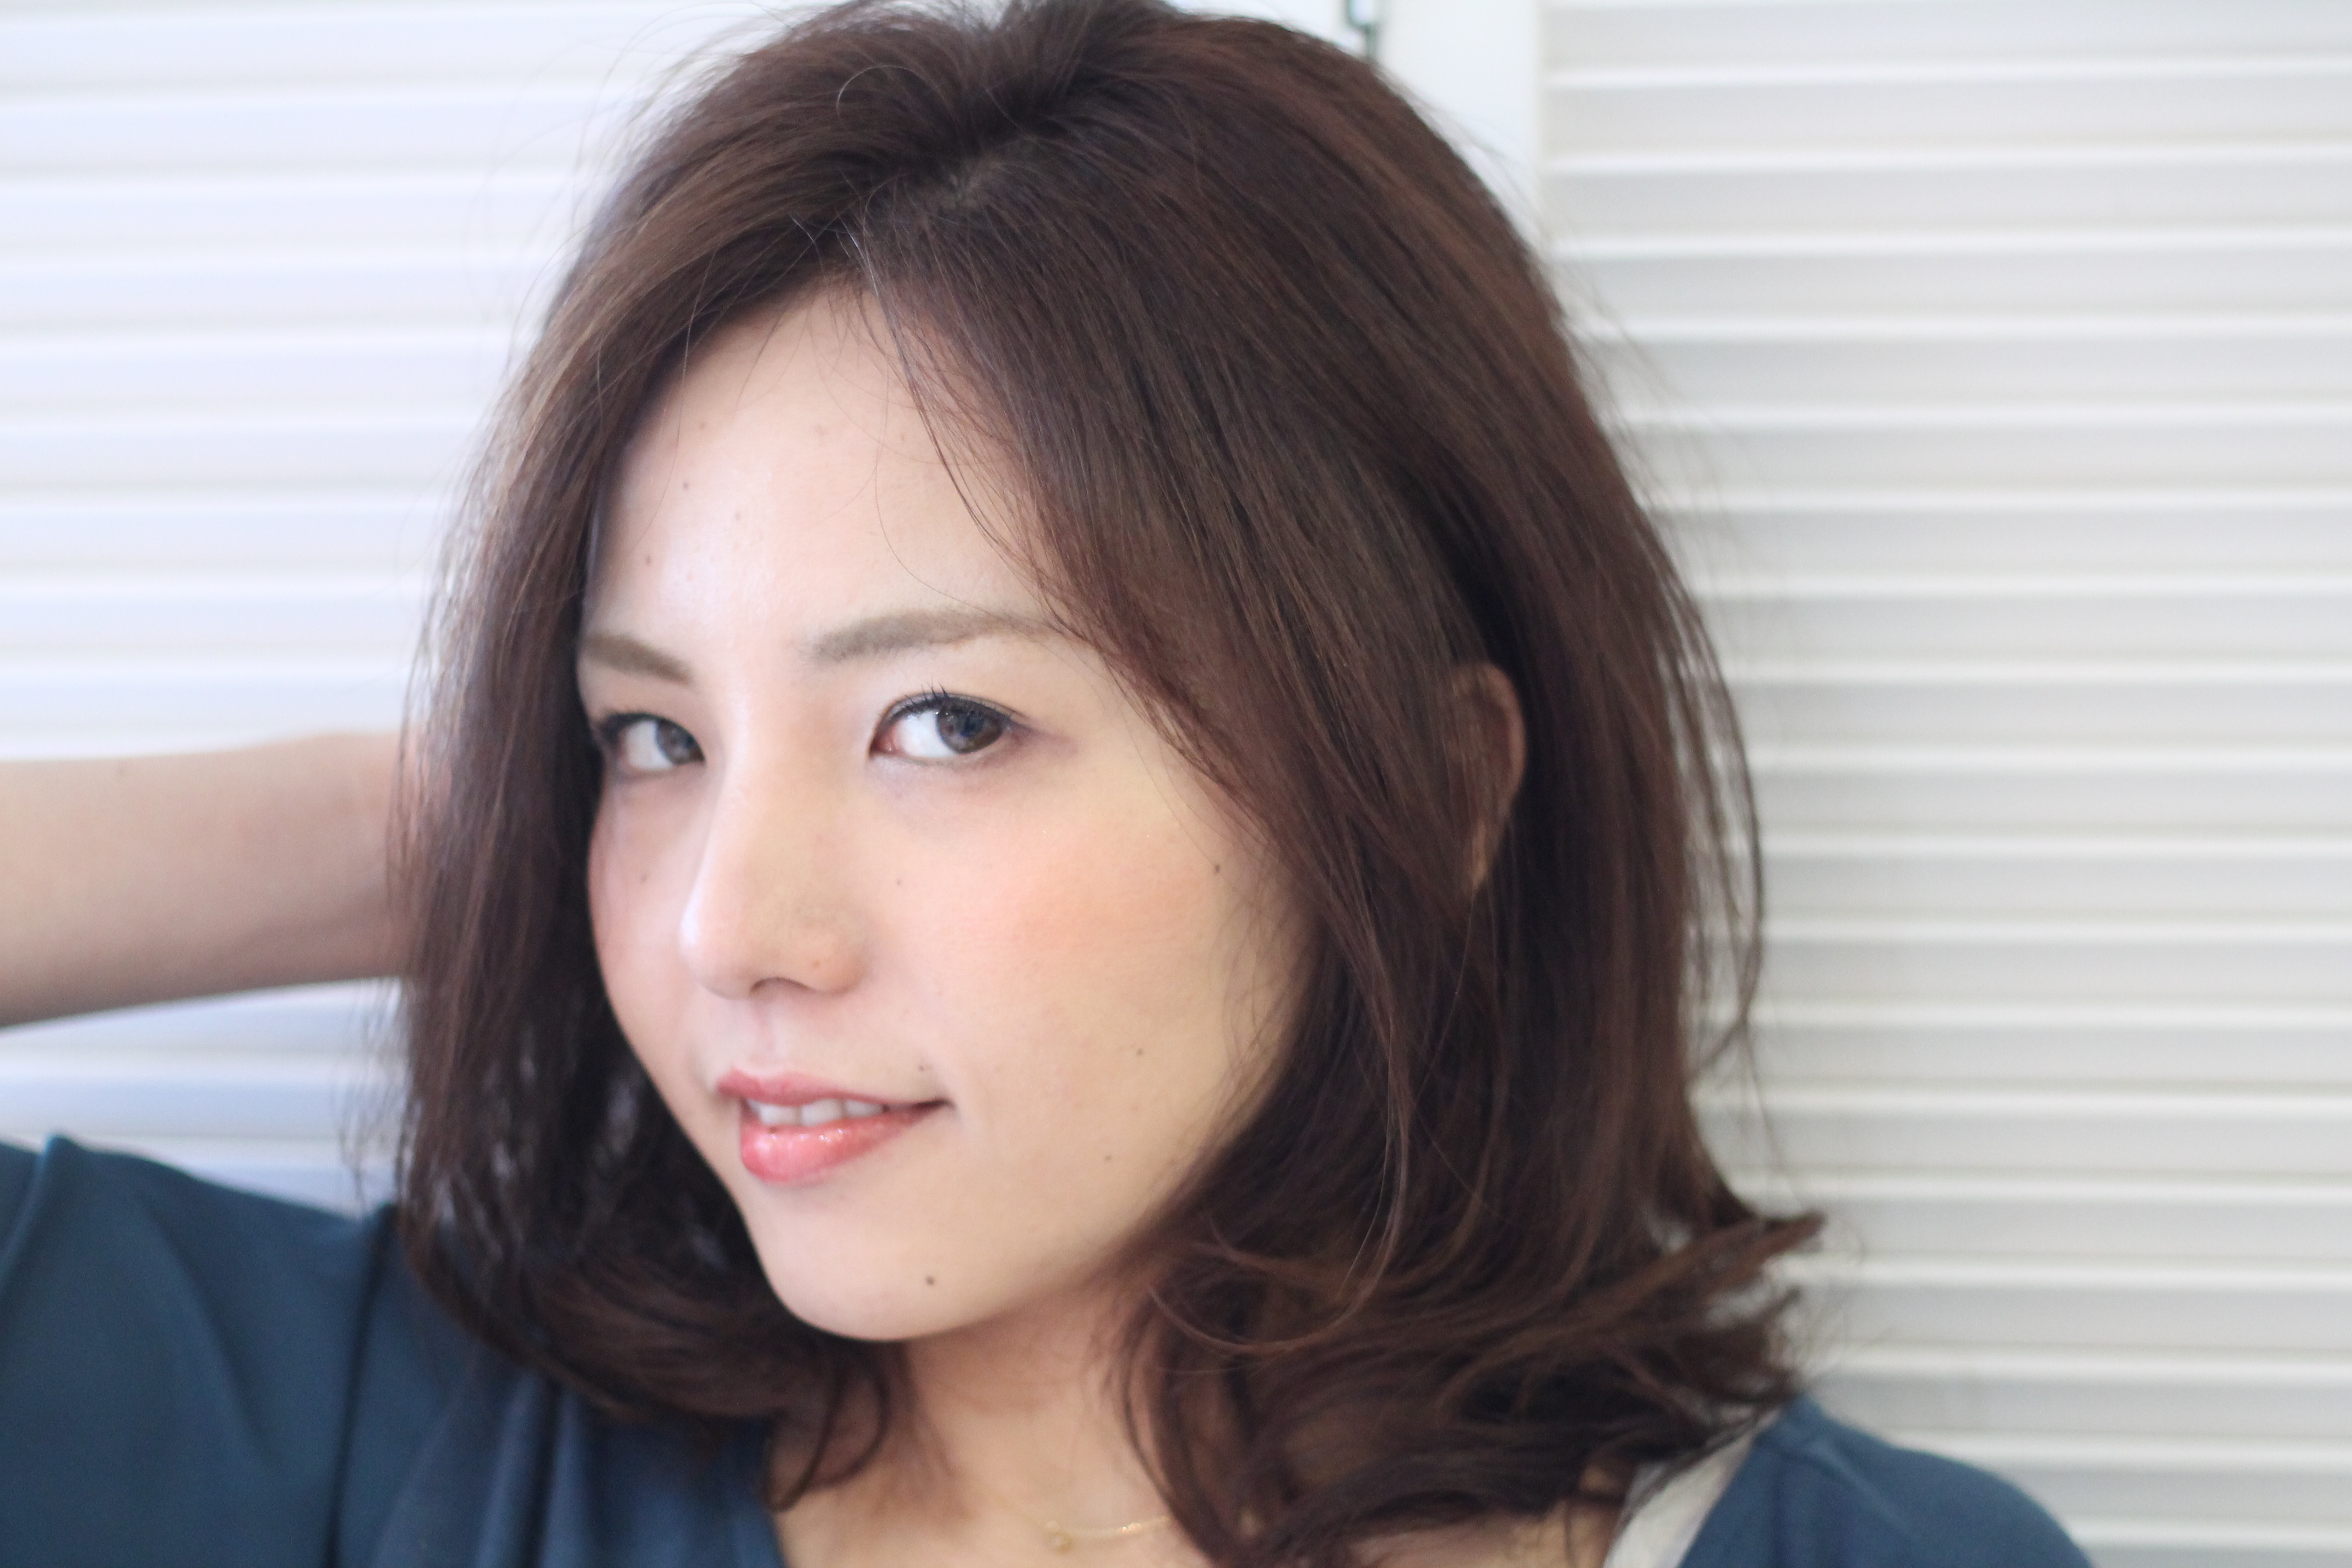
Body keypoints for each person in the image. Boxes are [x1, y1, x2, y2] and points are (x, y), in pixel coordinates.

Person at [0, 2, 2092, 1565]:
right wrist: (477, 837)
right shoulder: (394, 1449)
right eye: (654, 735)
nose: (731, 928)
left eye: (947, 723)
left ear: (1437, 790)